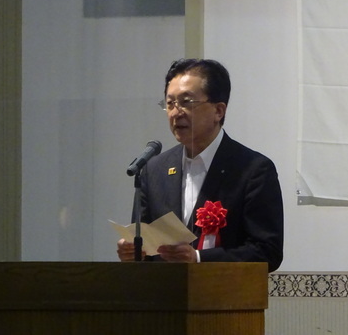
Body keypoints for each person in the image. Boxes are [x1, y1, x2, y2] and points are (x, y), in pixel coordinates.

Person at [117, 58, 284, 272]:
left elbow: (267, 252)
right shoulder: (154, 169)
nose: (176, 113)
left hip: (223, 300)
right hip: (162, 300)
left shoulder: (253, 170)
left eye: (187, 102)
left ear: (219, 111)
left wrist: (198, 258)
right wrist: (133, 252)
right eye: (170, 104)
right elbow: (145, 244)